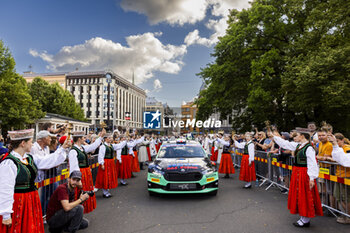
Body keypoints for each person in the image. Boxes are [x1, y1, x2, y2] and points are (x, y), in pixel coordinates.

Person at [0, 129, 70, 233]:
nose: (32, 144)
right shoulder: (9, 163)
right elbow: (5, 189)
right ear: (23, 143)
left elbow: (48, 160)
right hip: (18, 201)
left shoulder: (29, 158)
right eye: (30, 142)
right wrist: (6, 214)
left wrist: (62, 149)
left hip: (31, 199)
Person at [271, 129, 322, 227]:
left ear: (302, 136)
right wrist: (274, 137)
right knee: (299, 194)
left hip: (304, 173)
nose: (294, 137)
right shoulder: (298, 145)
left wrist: (311, 178)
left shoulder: (309, 148)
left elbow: (312, 163)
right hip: (298, 172)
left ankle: (305, 219)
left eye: (297, 135)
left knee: (305, 195)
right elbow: (285, 144)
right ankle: (303, 217)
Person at [68, 129, 105, 214]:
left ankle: (82, 211)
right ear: (79, 139)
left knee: (85, 192)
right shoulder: (73, 151)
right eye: (83, 138)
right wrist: (77, 180)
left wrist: (101, 137)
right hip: (80, 173)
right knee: (79, 193)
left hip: (85, 172)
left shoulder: (82, 148)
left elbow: (92, 147)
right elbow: (74, 167)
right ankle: (77, 212)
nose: (85, 139)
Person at [328, 133, 350, 224]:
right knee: (339, 197)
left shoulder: (347, 148)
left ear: (342, 140)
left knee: (345, 198)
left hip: (346, 176)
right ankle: (347, 215)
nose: (335, 143)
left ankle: (348, 217)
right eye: (334, 141)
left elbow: (345, 160)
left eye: (337, 141)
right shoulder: (339, 148)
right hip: (339, 175)